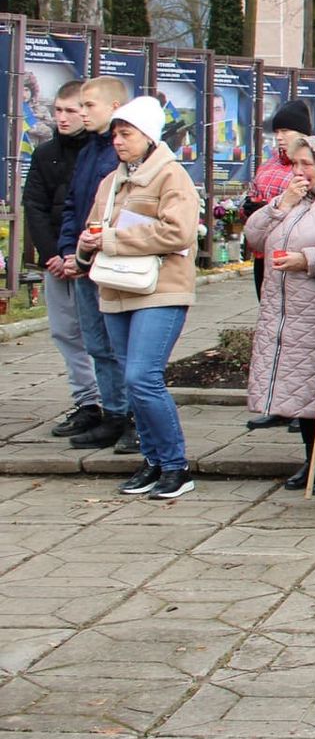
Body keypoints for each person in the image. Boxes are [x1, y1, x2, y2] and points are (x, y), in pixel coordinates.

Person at [75, 97, 201, 500]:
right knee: (134, 385)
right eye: (114, 134)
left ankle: (177, 466)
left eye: (126, 133)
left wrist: (110, 240)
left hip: (160, 289)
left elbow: (178, 234)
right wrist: (85, 247)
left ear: (148, 136)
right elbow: (95, 227)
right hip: (115, 289)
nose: (117, 141)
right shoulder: (110, 182)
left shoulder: (171, 177)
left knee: (142, 378)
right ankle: (153, 461)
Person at [244, 135, 315, 495]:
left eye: (307, 164)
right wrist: (281, 203)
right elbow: (253, 235)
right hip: (286, 309)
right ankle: (314, 460)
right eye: (295, 164)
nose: (299, 171)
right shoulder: (297, 198)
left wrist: (307, 260)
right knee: (301, 392)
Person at [55, 76, 134, 452]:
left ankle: (132, 417)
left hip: (114, 264)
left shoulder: (122, 153)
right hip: (85, 263)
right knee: (97, 345)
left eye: (89, 106)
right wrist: (71, 250)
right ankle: (113, 413)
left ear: (114, 108)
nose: (82, 113)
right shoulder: (88, 152)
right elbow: (73, 204)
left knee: (121, 346)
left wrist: (93, 251)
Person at [25, 81, 102, 440]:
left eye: (72, 110)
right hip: (57, 258)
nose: (64, 117)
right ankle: (86, 402)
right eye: (58, 110)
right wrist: (53, 255)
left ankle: (112, 403)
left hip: (92, 258)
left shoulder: (100, 152)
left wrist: (79, 255)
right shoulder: (45, 153)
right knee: (64, 331)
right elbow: (35, 206)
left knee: (98, 334)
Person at [246, 100, 313, 310]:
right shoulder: (268, 164)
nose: (279, 137)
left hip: (292, 252)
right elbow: (253, 194)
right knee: (267, 310)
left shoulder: (312, 165)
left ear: (302, 133)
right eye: (276, 132)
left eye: (285, 131)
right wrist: (250, 209)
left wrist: (279, 206)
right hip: (262, 254)